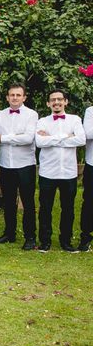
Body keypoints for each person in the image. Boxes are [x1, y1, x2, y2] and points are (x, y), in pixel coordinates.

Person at [35, 89, 86, 253]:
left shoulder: (75, 119)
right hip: (47, 172)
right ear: (48, 103)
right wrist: (66, 136)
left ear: (65, 102)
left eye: (59, 99)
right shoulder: (42, 121)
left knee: (68, 209)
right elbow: (39, 142)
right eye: (53, 100)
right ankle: (45, 241)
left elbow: (81, 139)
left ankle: (66, 241)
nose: (56, 102)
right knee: (45, 208)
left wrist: (51, 137)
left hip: (68, 173)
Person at [0, 84, 39, 250]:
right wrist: (15, 137)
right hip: (5, 164)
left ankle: (30, 237)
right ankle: (9, 233)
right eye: (12, 95)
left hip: (25, 165)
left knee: (27, 202)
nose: (14, 98)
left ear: (24, 97)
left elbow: (28, 139)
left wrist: (5, 138)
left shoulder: (32, 115)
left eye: (18, 95)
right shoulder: (0, 115)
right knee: (8, 201)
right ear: (7, 97)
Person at [80, 105, 93, 252]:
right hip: (92, 163)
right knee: (89, 201)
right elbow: (87, 134)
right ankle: (86, 236)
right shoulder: (90, 110)